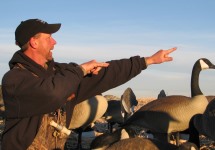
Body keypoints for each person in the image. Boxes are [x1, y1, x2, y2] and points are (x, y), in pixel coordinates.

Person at [1, 18, 177, 150]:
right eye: (49, 38)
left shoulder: (60, 73)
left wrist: (147, 61)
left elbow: (107, 74)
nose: (54, 42)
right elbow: (52, 94)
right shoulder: (14, 80)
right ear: (34, 42)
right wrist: (79, 71)